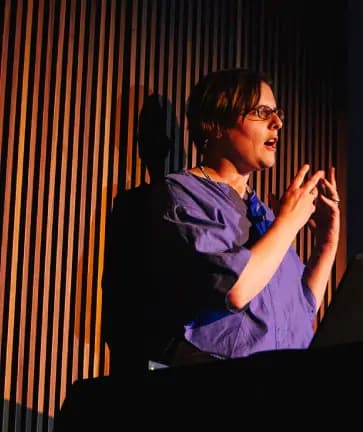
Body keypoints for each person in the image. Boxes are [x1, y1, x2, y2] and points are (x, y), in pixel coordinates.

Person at [104, 68, 340, 370]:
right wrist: (289, 223)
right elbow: (236, 290)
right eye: (261, 112)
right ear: (215, 125)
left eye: (277, 113)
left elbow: (301, 311)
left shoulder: (265, 214)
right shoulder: (180, 194)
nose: (278, 123)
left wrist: (326, 243)